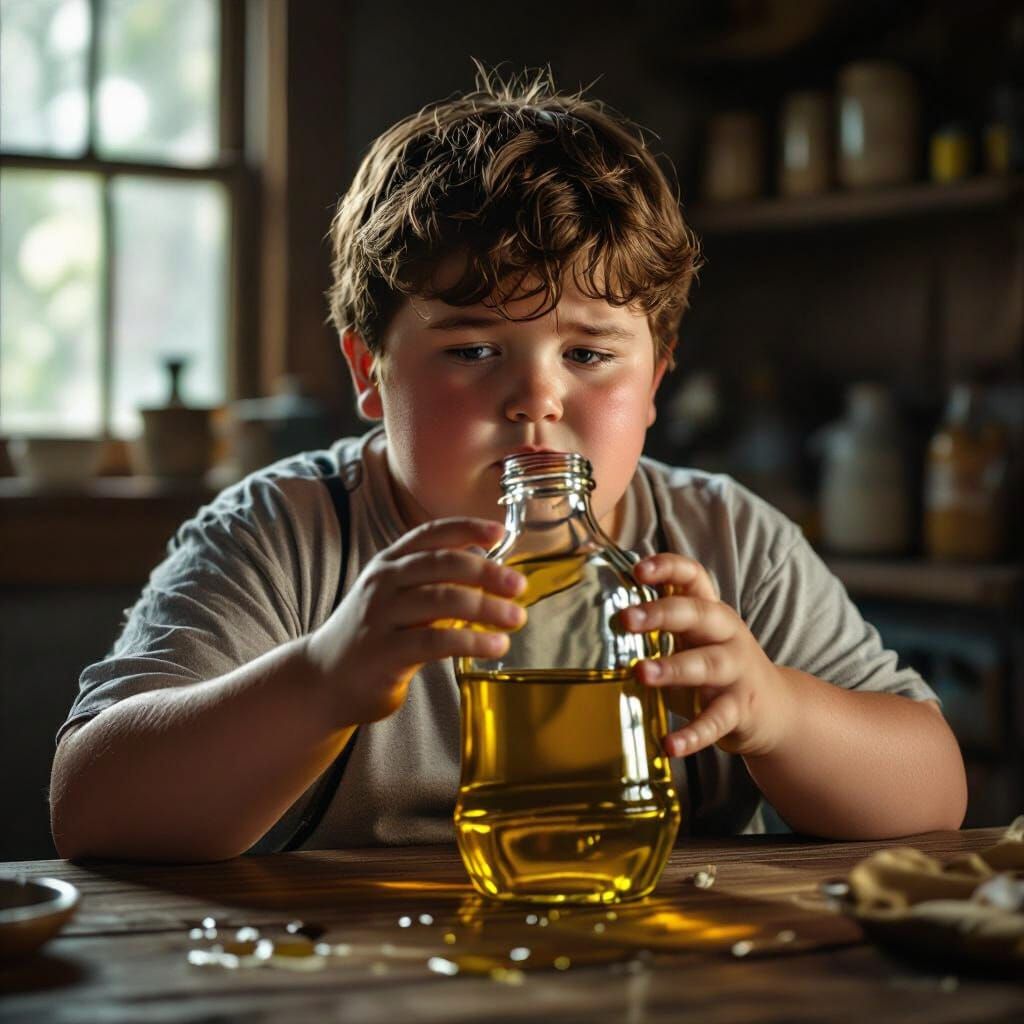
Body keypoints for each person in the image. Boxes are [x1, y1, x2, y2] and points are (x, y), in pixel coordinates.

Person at [50, 68, 967, 862]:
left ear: (657, 384)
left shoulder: (723, 540)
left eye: (590, 354)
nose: (538, 400)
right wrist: (321, 679)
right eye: (473, 351)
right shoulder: (287, 534)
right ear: (369, 374)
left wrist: (779, 711)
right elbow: (92, 809)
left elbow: (933, 794)